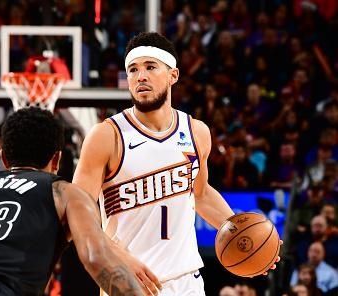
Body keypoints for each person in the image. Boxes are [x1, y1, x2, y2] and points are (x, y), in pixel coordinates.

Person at [72, 32, 279, 295]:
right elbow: (78, 214)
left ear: (173, 75)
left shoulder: (197, 132)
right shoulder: (106, 135)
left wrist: (250, 238)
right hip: (128, 283)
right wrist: (119, 257)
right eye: (133, 70)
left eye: (150, 67)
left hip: (187, 282)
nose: (140, 76)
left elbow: (201, 194)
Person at [0, 107, 147, 296]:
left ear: (4, 159)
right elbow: (96, 258)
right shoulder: (64, 193)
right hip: (0, 288)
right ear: (57, 160)